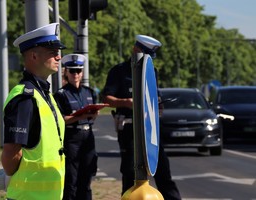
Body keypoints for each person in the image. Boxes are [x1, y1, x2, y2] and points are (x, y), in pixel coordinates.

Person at [101, 35, 182, 200]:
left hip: (150, 129)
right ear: (136, 50)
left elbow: (155, 98)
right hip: (130, 129)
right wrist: (127, 102)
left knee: (163, 172)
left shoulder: (152, 72)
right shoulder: (118, 72)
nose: (148, 61)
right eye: (145, 56)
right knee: (131, 173)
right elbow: (107, 99)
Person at [1, 23, 66, 200]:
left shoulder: (45, 95)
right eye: (52, 52)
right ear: (34, 56)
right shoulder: (25, 97)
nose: (58, 57)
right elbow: (11, 153)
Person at [53, 54, 98, 200]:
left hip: (88, 136)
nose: (75, 74)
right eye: (72, 71)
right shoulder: (61, 94)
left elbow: (92, 116)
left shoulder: (89, 92)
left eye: (78, 71)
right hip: (72, 138)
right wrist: (80, 117)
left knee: (87, 177)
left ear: (82, 72)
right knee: (71, 179)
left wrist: (93, 114)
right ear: (65, 72)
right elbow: (61, 120)